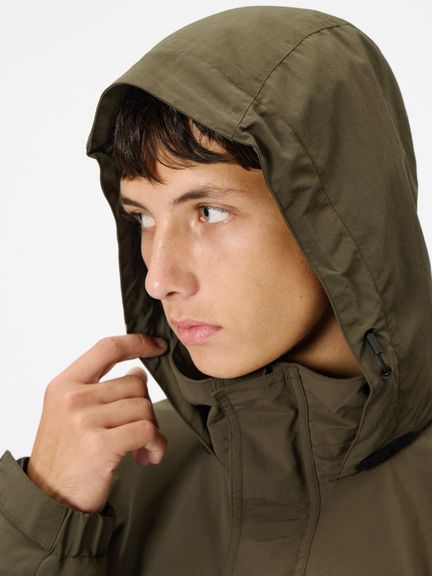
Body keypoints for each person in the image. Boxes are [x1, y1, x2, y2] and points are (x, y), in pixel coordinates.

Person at [1, 5, 431, 575]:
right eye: (142, 219)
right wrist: (45, 523)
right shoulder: (112, 475)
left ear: (340, 213)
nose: (158, 279)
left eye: (209, 211)